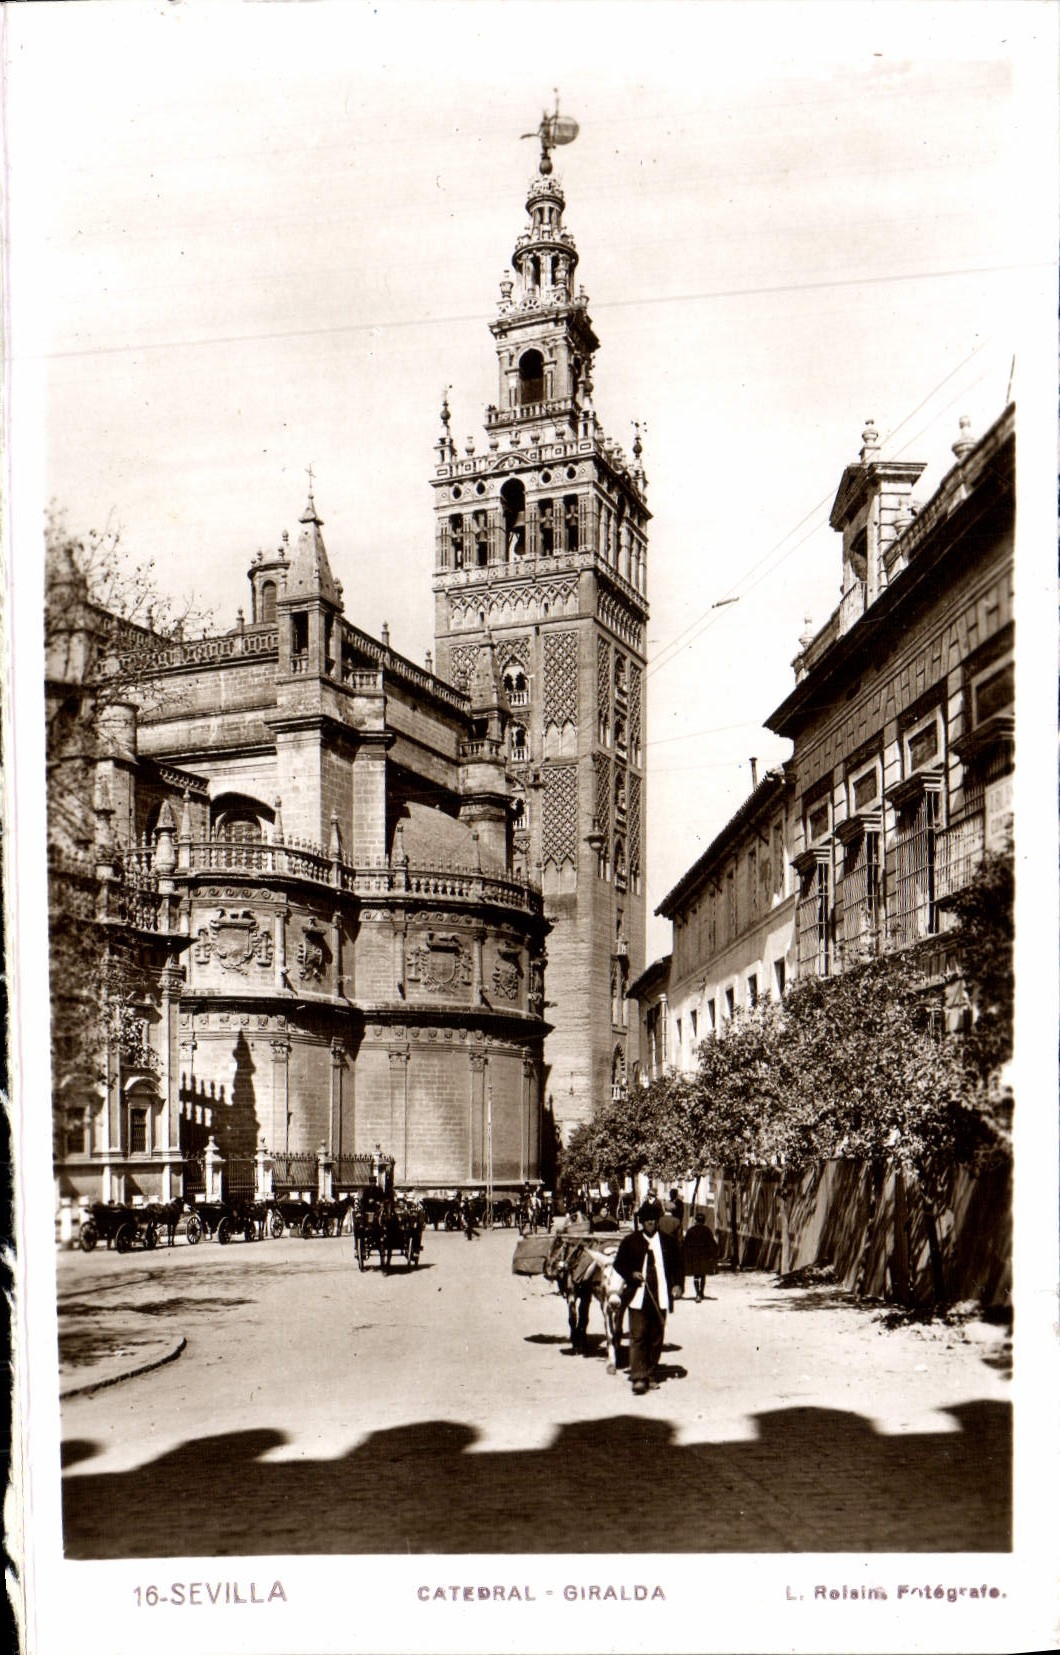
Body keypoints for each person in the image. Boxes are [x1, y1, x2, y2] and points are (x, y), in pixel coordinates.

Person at [611, 1199, 684, 1395]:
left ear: (658, 1220)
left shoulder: (668, 1242)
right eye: (647, 1219)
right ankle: (638, 1377)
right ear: (641, 1222)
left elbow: (678, 1265)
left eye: (653, 1219)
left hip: (660, 1295)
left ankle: (650, 1373)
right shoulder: (630, 1242)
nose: (650, 1222)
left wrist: (678, 1285)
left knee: (656, 1337)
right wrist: (631, 1273)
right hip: (638, 1295)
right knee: (638, 1335)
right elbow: (619, 1264)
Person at [683, 1208, 719, 1301]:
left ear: (696, 1220)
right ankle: (701, 1292)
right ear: (704, 1221)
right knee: (703, 1275)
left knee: (696, 1275)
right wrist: (714, 1254)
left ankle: (697, 1294)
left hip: (694, 1256)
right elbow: (712, 1243)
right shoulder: (707, 1230)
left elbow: (685, 1244)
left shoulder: (691, 1230)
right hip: (704, 1256)